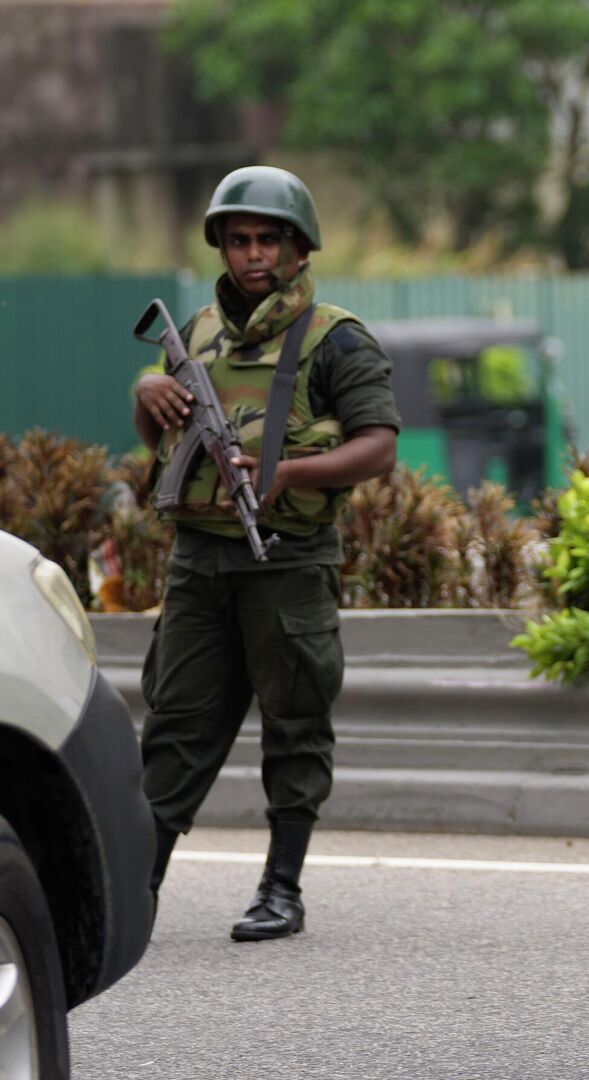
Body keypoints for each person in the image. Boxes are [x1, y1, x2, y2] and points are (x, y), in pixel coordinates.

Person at [134, 165, 400, 940]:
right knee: (176, 721)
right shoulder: (194, 334)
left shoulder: (335, 339)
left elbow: (378, 447)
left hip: (287, 560)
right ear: (222, 246)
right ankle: (137, 886)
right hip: (199, 561)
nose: (254, 256)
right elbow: (163, 439)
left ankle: (281, 887)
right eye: (239, 240)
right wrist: (146, 399)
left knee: (294, 719)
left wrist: (287, 474)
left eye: (269, 241)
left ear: (298, 249)